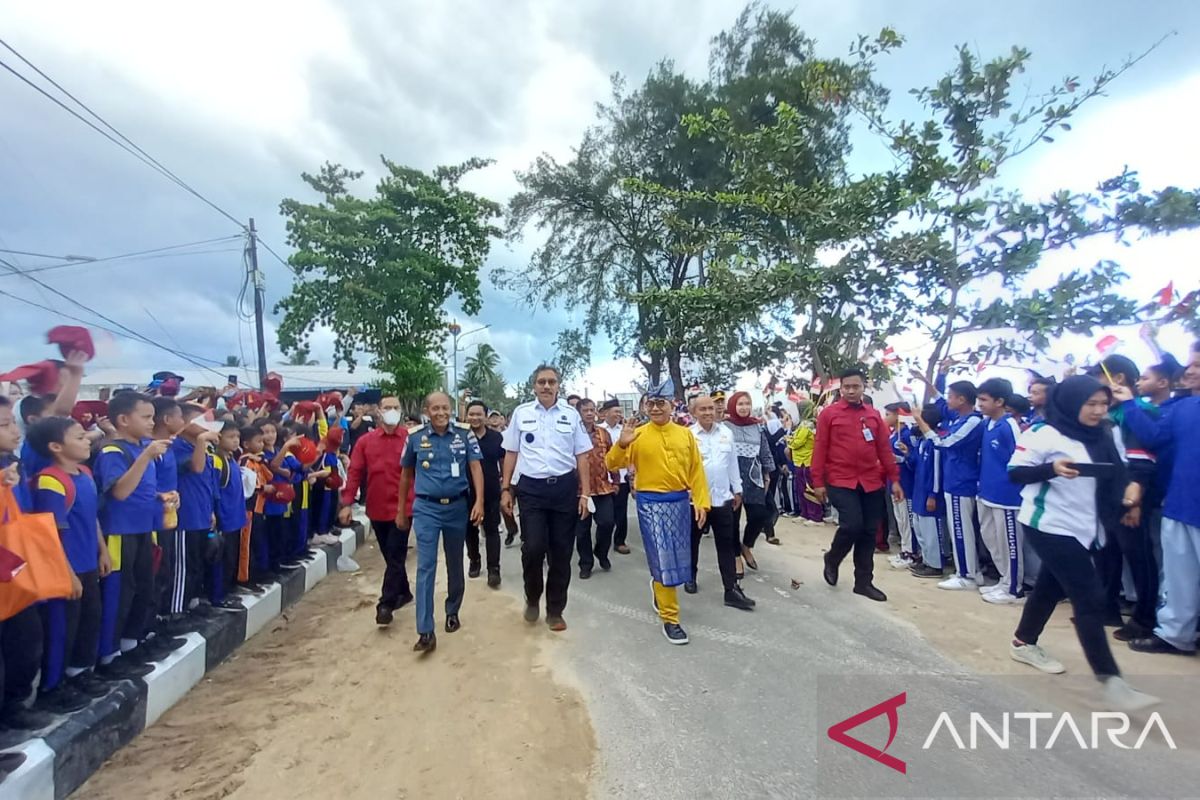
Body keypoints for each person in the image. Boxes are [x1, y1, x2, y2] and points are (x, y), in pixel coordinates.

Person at [1006, 375, 1158, 711]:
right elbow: (1015, 472)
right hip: (1048, 523)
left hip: (1089, 526)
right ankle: (1112, 682)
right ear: (1071, 402)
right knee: (1089, 596)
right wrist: (1052, 468)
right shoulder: (1044, 433)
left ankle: (1023, 641)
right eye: (1091, 404)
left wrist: (1131, 492)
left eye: (1104, 404)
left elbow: (1121, 469)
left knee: (1050, 585)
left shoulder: (1108, 432)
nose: (1098, 410)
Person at [607, 385, 711, 644]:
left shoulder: (685, 435)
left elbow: (696, 471)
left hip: (679, 502)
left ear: (672, 405)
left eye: (660, 403)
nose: (655, 408)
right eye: (650, 403)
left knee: (677, 557)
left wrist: (701, 502)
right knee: (663, 556)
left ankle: (658, 584)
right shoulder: (637, 435)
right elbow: (611, 464)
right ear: (644, 407)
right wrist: (622, 444)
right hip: (650, 503)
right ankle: (670, 618)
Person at [28, 417, 110, 713]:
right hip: (66, 569)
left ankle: (79, 675)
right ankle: (54, 686)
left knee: (89, 620)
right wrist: (67, 574)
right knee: (62, 628)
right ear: (56, 447)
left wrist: (102, 550)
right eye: (79, 437)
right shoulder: (50, 480)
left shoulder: (85, 473)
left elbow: (92, 518)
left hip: (88, 563)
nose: (87, 439)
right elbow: (50, 533)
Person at [501, 365, 592, 632]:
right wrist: (506, 489)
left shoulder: (570, 415)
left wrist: (584, 493)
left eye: (551, 381)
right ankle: (532, 597)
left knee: (562, 552)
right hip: (531, 490)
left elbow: (582, 456)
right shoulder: (522, 413)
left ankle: (555, 610)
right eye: (541, 381)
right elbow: (511, 452)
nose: (546, 386)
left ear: (558, 386)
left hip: (564, 489)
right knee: (533, 548)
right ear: (534, 386)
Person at [1113, 378, 1200, 656]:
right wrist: (1128, 402)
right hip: (1180, 502)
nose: (1189, 370)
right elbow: (1151, 437)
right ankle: (1175, 635)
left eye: (1197, 364)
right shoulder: (1183, 407)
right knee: (1179, 577)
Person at [396, 392, 484, 654]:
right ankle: (425, 630)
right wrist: (402, 510)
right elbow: (405, 475)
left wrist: (479, 501)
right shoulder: (414, 437)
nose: (441, 413)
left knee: (456, 561)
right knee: (426, 566)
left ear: (451, 408)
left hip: (457, 506)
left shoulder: (464, 434)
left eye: (445, 408)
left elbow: (476, 468)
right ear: (427, 410)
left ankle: (452, 610)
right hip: (426, 508)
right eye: (435, 408)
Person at [94, 392, 171, 678]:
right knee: (119, 593)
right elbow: (120, 491)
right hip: (119, 532)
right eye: (147, 417)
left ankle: (131, 645)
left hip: (143, 528)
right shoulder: (114, 451)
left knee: (142, 589)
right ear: (124, 420)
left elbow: (142, 490)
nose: (152, 423)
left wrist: (163, 497)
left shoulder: (144, 448)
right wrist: (146, 457)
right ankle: (109, 654)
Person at [811, 368, 902, 602]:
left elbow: (884, 449)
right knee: (852, 524)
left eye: (856, 386)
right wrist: (818, 482)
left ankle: (863, 582)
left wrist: (895, 480)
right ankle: (833, 558)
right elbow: (820, 448)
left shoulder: (873, 416)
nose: (851, 391)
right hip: (840, 480)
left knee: (869, 532)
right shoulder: (829, 415)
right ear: (840, 388)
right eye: (847, 387)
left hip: (871, 481)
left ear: (863, 388)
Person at [1089, 355, 1160, 641]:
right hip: (1108, 492)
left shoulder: (1139, 412)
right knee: (1108, 552)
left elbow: (1141, 459)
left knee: (1139, 558)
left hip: (1132, 495)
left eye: (1099, 378)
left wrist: (1136, 499)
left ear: (1117, 379)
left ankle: (1144, 618)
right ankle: (1107, 607)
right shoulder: (1111, 413)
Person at [338, 395, 414, 626]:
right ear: (378, 412)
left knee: (396, 553)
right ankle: (405, 592)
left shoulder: (411, 440)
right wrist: (347, 503)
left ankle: (385, 603)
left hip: (404, 507)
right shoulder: (365, 442)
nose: (391, 411)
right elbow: (355, 473)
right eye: (387, 407)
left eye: (396, 407)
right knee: (390, 555)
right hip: (377, 508)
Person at [914, 373, 984, 591]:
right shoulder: (959, 418)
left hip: (961, 483)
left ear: (962, 400)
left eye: (952, 397)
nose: (948, 401)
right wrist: (927, 383)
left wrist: (920, 422)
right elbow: (941, 402)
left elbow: (945, 443)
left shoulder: (972, 421)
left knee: (962, 531)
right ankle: (966, 571)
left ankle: (967, 575)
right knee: (957, 530)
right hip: (954, 482)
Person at [688, 395, 753, 610]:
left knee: (726, 545)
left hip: (723, 498)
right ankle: (690, 575)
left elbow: (732, 463)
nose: (708, 412)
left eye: (711, 408)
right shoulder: (687, 435)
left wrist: (738, 489)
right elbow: (683, 467)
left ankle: (731, 589)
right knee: (693, 540)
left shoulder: (726, 433)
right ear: (694, 412)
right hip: (697, 501)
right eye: (702, 409)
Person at [974, 378, 1025, 604]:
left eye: (984, 400)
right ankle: (1004, 580)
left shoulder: (1009, 426)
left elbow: (1022, 459)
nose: (980, 404)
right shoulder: (987, 424)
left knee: (1009, 542)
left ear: (1000, 401)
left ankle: (1014, 588)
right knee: (991, 537)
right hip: (986, 492)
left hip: (1007, 496)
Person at [172, 405, 224, 618]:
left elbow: (207, 482)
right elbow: (196, 468)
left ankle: (193, 602)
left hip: (202, 513)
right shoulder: (178, 447)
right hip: (186, 516)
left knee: (198, 563)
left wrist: (211, 510)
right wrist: (202, 441)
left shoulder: (204, 449)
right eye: (199, 420)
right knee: (183, 567)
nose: (206, 424)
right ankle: (177, 611)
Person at [724, 391, 774, 575]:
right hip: (731, 478)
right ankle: (736, 557)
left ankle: (746, 546)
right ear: (733, 406)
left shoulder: (758, 426)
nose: (744, 407)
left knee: (759, 515)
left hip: (754, 478)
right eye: (740, 404)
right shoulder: (724, 426)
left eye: (747, 403)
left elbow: (765, 452)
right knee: (732, 521)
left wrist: (767, 475)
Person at [573, 399, 618, 580]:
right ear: (579, 413)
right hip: (579, 491)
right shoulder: (572, 434)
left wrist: (615, 480)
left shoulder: (603, 433)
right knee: (582, 530)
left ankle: (601, 551)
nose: (590, 414)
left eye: (592, 410)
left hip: (602, 488)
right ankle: (586, 563)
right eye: (585, 411)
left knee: (607, 523)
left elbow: (612, 457)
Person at [464, 400, 504, 588]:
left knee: (492, 530)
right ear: (466, 416)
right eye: (471, 414)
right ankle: (474, 559)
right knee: (469, 530)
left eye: (478, 414)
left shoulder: (496, 438)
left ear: (486, 416)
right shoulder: (460, 437)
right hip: (465, 492)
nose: (475, 418)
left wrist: (507, 486)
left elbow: (504, 462)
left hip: (491, 492)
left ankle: (494, 569)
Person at [906, 403, 946, 579]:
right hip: (918, 491)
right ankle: (926, 559)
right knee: (919, 527)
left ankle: (935, 565)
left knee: (930, 531)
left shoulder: (934, 442)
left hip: (929, 493)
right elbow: (915, 464)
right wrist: (907, 453)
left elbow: (936, 472)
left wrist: (933, 495)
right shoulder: (922, 442)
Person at [598, 399, 631, 555]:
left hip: (622, 477)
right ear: (606, 413)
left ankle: (620, 541)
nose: (618, 414)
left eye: (620, 411)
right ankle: (603, 541)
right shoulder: (598, 430)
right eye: (615, 411)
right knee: (605, 515)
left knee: (621, 511)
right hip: (602, 479)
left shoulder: (624, 430)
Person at [884, 403, 915, 566]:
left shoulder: (907, 434)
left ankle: (910, 553)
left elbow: (913, 459)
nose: (886, 417)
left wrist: (900, 458)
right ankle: (904, 549)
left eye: (888, 414)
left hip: (904, 482)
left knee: (906, 518)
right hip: (893, 480)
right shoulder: (893, 434)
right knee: (900, 518)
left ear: (898, 415)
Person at [788, 409, 822, 525]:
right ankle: (805, 513)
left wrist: (787, 439)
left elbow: (797, 443)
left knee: (809, 488)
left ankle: (815, 516)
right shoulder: (803, 425)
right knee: (801, 489)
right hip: (799, 462)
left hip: (806, 461)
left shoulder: (807, 426)